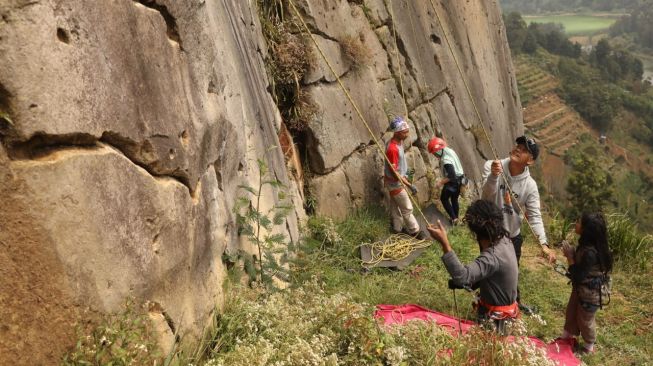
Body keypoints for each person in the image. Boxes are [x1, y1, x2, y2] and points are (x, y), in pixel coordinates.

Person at [481, 135, 555, 313]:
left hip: (512, 235)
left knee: (511, 272)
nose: (518, 149)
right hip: (489, 232)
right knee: (488, 268)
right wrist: (493, 175)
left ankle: (514, 303)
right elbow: (486, 196)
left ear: (530, 161)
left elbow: (535, 216)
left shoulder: (530, 186)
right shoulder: (492, 165)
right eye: (518, 146)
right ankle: (486, 303)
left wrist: (543, 244)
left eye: (524, 150)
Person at [428, 200, 519, 332]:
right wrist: (474, 283)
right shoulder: (505, 240)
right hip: (507, 315)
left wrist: (444, 243)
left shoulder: (492, 257)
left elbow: (462, 277)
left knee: (486, 350)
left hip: (497, 324)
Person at [559, 212, 613, 354]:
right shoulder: (586, 246)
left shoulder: (589, 253)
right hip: (581, 290)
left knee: (585, 320)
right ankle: (566, 336)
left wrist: (570, 257)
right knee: (571, 311)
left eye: (578, 222)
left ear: (586, 230)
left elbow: (578, 276)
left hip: (590, 294)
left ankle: (589, 345)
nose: (576, 223)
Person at [384, 117, 426, 240]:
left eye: (407, 131)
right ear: (397, 132)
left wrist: (407, 174)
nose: (407, 134)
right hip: (395, 183)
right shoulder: (392, 148)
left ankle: (397, 229)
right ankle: (415, 231)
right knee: (407, 208)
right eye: (404, 132)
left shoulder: (399, 142)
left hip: (395, 181)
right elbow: (395, 172)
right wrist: (409, 185)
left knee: (395, 206)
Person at [428, 137, 465, 225]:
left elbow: (451, 175)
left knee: (444, 199)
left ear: (438, 151)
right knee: (454, 199)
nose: (434, 155)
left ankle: (454, 219)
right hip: (460, 179)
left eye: (434, 153)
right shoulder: (449, 150)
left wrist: (440, 183)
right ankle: (456, 218)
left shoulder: (446, 160)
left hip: (453, 182)